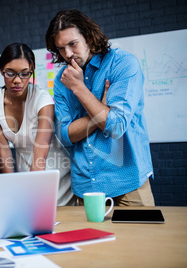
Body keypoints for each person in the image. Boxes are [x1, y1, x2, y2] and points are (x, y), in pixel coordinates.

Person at [45, 9, 155, 206]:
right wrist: (102, 109)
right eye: (61, 48)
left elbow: (115, 126)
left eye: (72, 44)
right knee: (90, 239)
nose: (68, 54)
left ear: (88, 36)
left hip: (128, 186)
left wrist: (79, 88)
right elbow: (64, 136)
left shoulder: (123, 64)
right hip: (85, 188)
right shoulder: (62, 81)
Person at [0, 43, 74, 205]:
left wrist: (30, 194)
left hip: (54, 176)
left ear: (32, 71)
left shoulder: (42, 100)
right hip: (25, 176)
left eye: (24, 74)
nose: (17, 80)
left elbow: (40, 154)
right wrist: (11, 188)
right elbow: (4, 151)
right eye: (10, 73)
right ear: (1, 71)